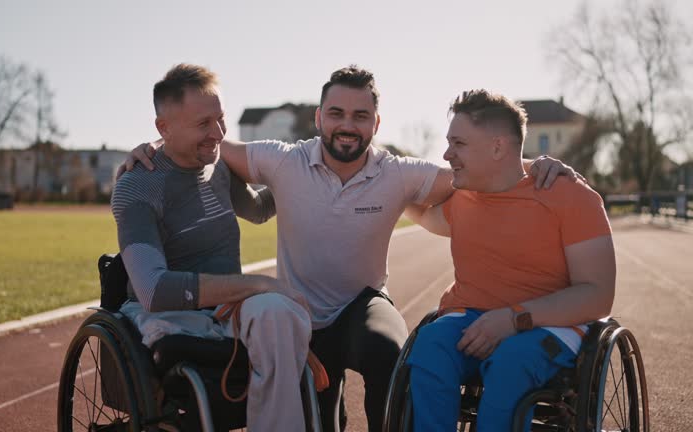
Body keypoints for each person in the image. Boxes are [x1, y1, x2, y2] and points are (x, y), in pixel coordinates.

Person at [123, 65, 578, 432]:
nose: (347, 125)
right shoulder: (279, 160)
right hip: (298, 312)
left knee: (394, 351)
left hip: (360, 307)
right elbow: (200, 147)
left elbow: (476, 174)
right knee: (321, 416)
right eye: (336, 113)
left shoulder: (397, 172)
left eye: (360, 116)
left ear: (376, 124)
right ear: (319, 117)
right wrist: (150, 149)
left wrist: (530, 162)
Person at [111, 63, 312, 432]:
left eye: (221, 120)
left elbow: (259, 209)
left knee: (283, 313)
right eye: (204, 124)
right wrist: (256, 284)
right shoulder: (137, 186)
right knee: (271, 297)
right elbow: (154, 290)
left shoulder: (217, 165)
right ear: (163, 129)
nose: (218, 134)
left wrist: (308, 172)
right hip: (169, 313)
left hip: (226, 308)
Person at [404, 89, 615, 432]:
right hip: (471, 316)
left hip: (552, 325)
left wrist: (512, 319)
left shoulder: (570, 197)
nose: (447, 154)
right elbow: (425, 215)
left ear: (498, 147)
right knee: (429, 346)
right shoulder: (463, 198)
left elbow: (597, 295)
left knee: (511, 363)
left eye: (458, 143)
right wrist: (390, 192)